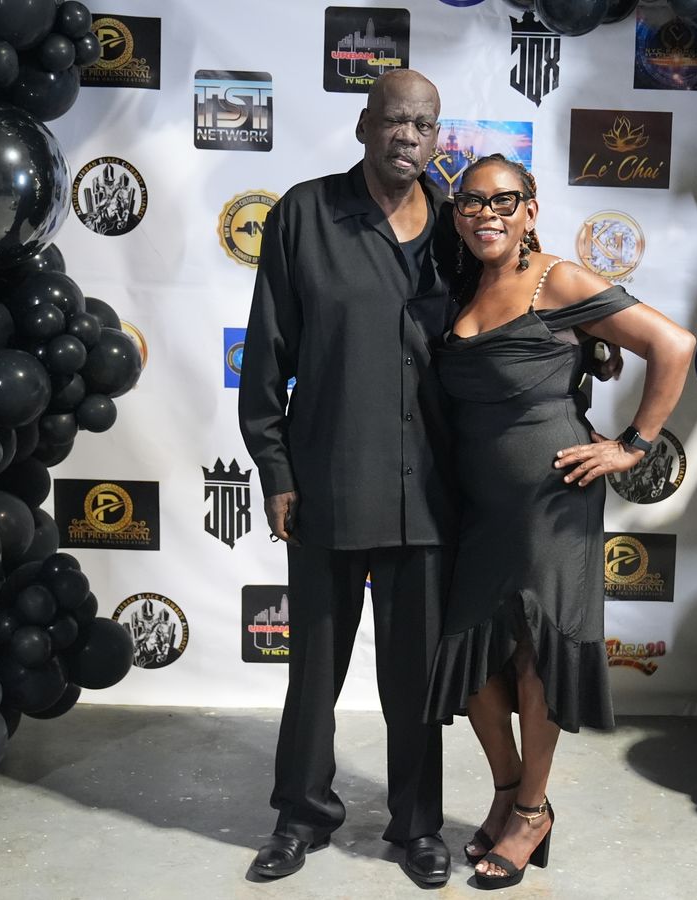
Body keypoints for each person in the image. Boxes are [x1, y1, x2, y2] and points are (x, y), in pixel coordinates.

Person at [424, 154, 696, 889]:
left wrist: (631, 445)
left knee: (534, 654)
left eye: (504, 201)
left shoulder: (559, 280)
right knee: (470, 655)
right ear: (457, 214)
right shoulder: (462, 285)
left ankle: (531, 811)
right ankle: (509, 789)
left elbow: (673, 345)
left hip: (552, 499)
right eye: (471, 202)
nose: (487, 214)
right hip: (479, 505)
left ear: (531, 211)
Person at [237, 70, 456, 887]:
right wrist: (275, 468)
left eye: (424, 124)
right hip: (327, 478)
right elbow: (267, 353)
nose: (409, 136)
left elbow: (510, 324)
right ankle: (300, 817)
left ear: (437, 137)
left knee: (415, 679)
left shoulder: (459, 228)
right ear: (365, 125)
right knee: (313, 673)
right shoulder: (303, 213)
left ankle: (418, 825)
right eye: (395, 119)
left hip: (428, 491)